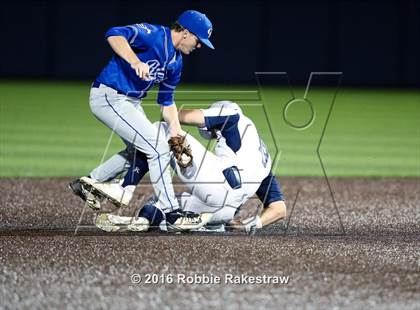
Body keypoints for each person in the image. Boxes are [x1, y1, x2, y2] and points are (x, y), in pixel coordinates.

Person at [69, 10, 215, 231]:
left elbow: (167, 102)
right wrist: (135, 61)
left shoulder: (176, 62)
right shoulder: (154, 34)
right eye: (198, 39)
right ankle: (171, 212)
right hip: (109, 95)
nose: (199, 45)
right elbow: (114, 34)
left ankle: (90, 182)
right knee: (156, 148)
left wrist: (176, 133)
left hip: (130, 102)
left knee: (144, 151)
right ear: (185, 32)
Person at [94, 101, 287, 234]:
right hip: (227, 210)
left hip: (217, 186)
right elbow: (279, 209)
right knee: (168, 209)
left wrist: (167, 103)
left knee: (159, 130)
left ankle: (125, 188)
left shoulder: (231, 113)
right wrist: (250, 225)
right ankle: (151, 220)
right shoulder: (260, 154)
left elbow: (180, 116)